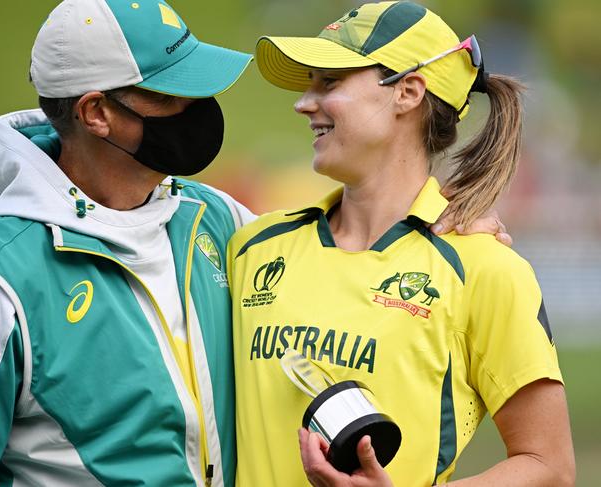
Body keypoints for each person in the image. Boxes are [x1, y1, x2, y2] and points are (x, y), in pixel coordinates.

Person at [0, 0, 508, 485]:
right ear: (97, 113)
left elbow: (337, 254)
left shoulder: (218, 220)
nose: (199, 108)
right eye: (172, 94)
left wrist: (448, 225)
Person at [228, 2, 575, 487]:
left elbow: (550, 467)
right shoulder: (251, 247)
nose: (304, 103)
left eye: (329, 82)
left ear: (407, 92)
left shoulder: (485, 268)